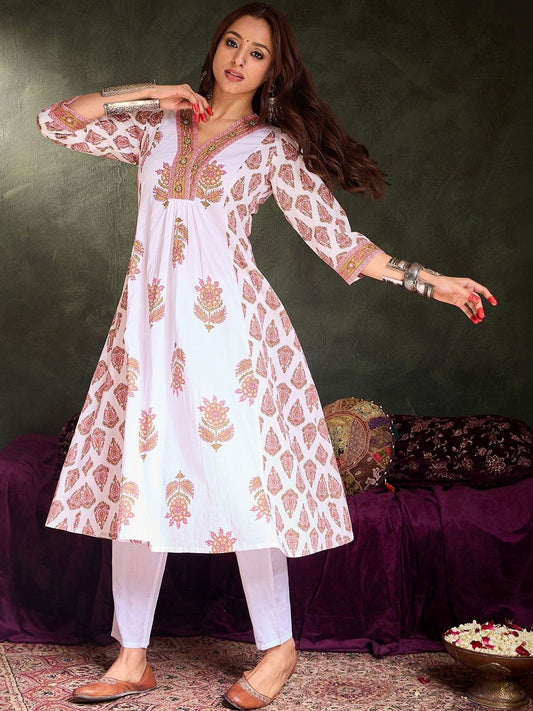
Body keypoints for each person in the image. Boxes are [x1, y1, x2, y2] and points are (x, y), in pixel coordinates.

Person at [37, 3, 497, 708]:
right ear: (214, 48)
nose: (239, 60)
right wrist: (153, 92)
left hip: (233, 342)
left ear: (272, 72)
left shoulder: (273, 148)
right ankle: (131, 657)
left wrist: (427, 280)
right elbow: (58, 120)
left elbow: (338, 241)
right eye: (232, 43)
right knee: (140, 482)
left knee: (247, 487)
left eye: (257, 53)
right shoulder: (157, 126)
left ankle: (278, 648)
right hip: (150, 336)